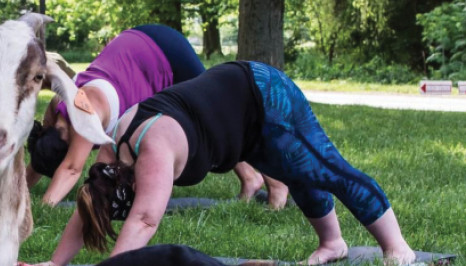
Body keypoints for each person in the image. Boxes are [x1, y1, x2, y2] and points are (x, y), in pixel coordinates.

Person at [53, 61, 416, 266]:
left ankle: (398, 248)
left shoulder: (153, 150)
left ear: (131, 185)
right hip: (237, 124)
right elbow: (87, 206)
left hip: (262, 97)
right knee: (297, 172)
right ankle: (333, 243)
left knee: (325, 169)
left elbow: (145, 219)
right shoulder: (113, 151)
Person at [26, 24, 288, 207]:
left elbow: (71, 168)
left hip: (163, 52)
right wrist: (21, 191)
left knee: (220, 118)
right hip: (133, 46)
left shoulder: (84, 116)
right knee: (209, 122)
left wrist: (44, 206)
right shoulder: (57, 107)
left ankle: (276, 184)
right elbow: (43, 154)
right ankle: (250, 179)